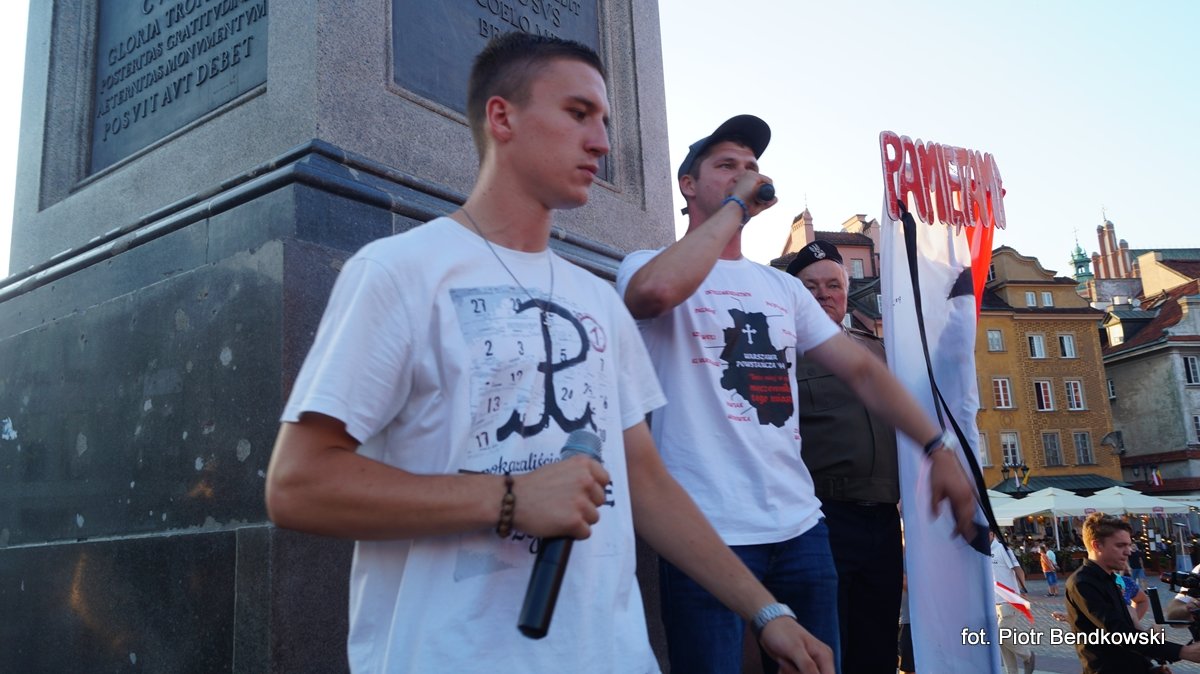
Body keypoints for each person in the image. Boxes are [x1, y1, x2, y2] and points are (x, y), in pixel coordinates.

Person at [264, 33, 833, 674]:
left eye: (606, 121)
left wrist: (766, 612)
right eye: (577, 113)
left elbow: (645, 482)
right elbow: (298, 485)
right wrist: (508, 499)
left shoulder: (597, 301)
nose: (602, 143)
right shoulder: (400, 271)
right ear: (502, 117)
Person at [616, 114, 978, 673]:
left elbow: (862, 372)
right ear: (688, 184)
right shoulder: (646, 264)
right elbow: (656, 292)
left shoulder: (781, 288)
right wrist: (735, 207)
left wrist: (938, 446)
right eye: (726, 166)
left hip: (801, 528)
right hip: (705, 528)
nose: (745, 175)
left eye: (751, 167)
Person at [786, 240, 902, 673]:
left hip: (884, 520)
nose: (823, 294)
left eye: (833, 285)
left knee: (877, 649)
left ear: (846, 292)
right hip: (822, 517)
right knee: (825, 647)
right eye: (810, 286)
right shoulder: (783, 351)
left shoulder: (876, 349)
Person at [1065, 513, 1200, 673]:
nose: (1128, 551)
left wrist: (1150, 668)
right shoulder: (1082, 583)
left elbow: (1128, 631)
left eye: (1129, 545)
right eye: (1120, 545)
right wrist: (1183, 651)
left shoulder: (1110, 578)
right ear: (1097, 545)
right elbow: (1119, 633)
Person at [991, 532, 1034, 674]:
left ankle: (1027, 655)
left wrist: (1022, 590)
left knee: (1000, 634)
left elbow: (1018, 570)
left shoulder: (1002, 549)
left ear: (991, 534)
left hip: (1009, 601)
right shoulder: (985, 552)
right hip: (996, 603)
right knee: (1003, 643)